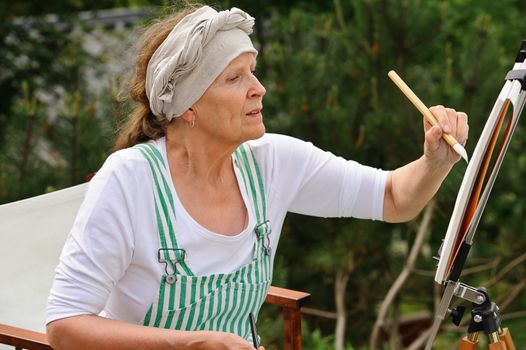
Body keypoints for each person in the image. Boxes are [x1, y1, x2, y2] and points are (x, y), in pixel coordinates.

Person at [45, 4, 468, 350]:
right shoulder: (129, 180)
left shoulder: (273, 162)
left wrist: (434, 161)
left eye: (253, 70)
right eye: (235, 77)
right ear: (188, 106)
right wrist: (193, 344)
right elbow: (64, 327)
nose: (258, 88)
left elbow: (394, 199)